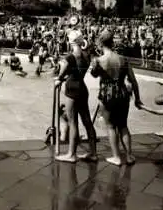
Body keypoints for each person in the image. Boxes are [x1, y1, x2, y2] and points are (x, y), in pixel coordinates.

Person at [90, 30, 142, 166]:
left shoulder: (99, 60)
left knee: (111, 126)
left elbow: (94, 75)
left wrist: (94, 66)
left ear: (100, 44)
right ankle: (129, 156)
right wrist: (137, 98)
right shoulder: (123, 59)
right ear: (112, 43)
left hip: (108, 94)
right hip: (123, 93)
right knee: (123, 126)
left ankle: (116, 157)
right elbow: (133, 81)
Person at [55, 30, 97, 163]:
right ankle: (93, 153)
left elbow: (63, 72)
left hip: (72, 89)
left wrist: (59, 79)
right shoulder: (86, 56)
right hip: (83, 88)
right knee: (87, 122)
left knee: (73, 122)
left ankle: (71, 154)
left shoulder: (70, 57)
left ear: (71, 41)